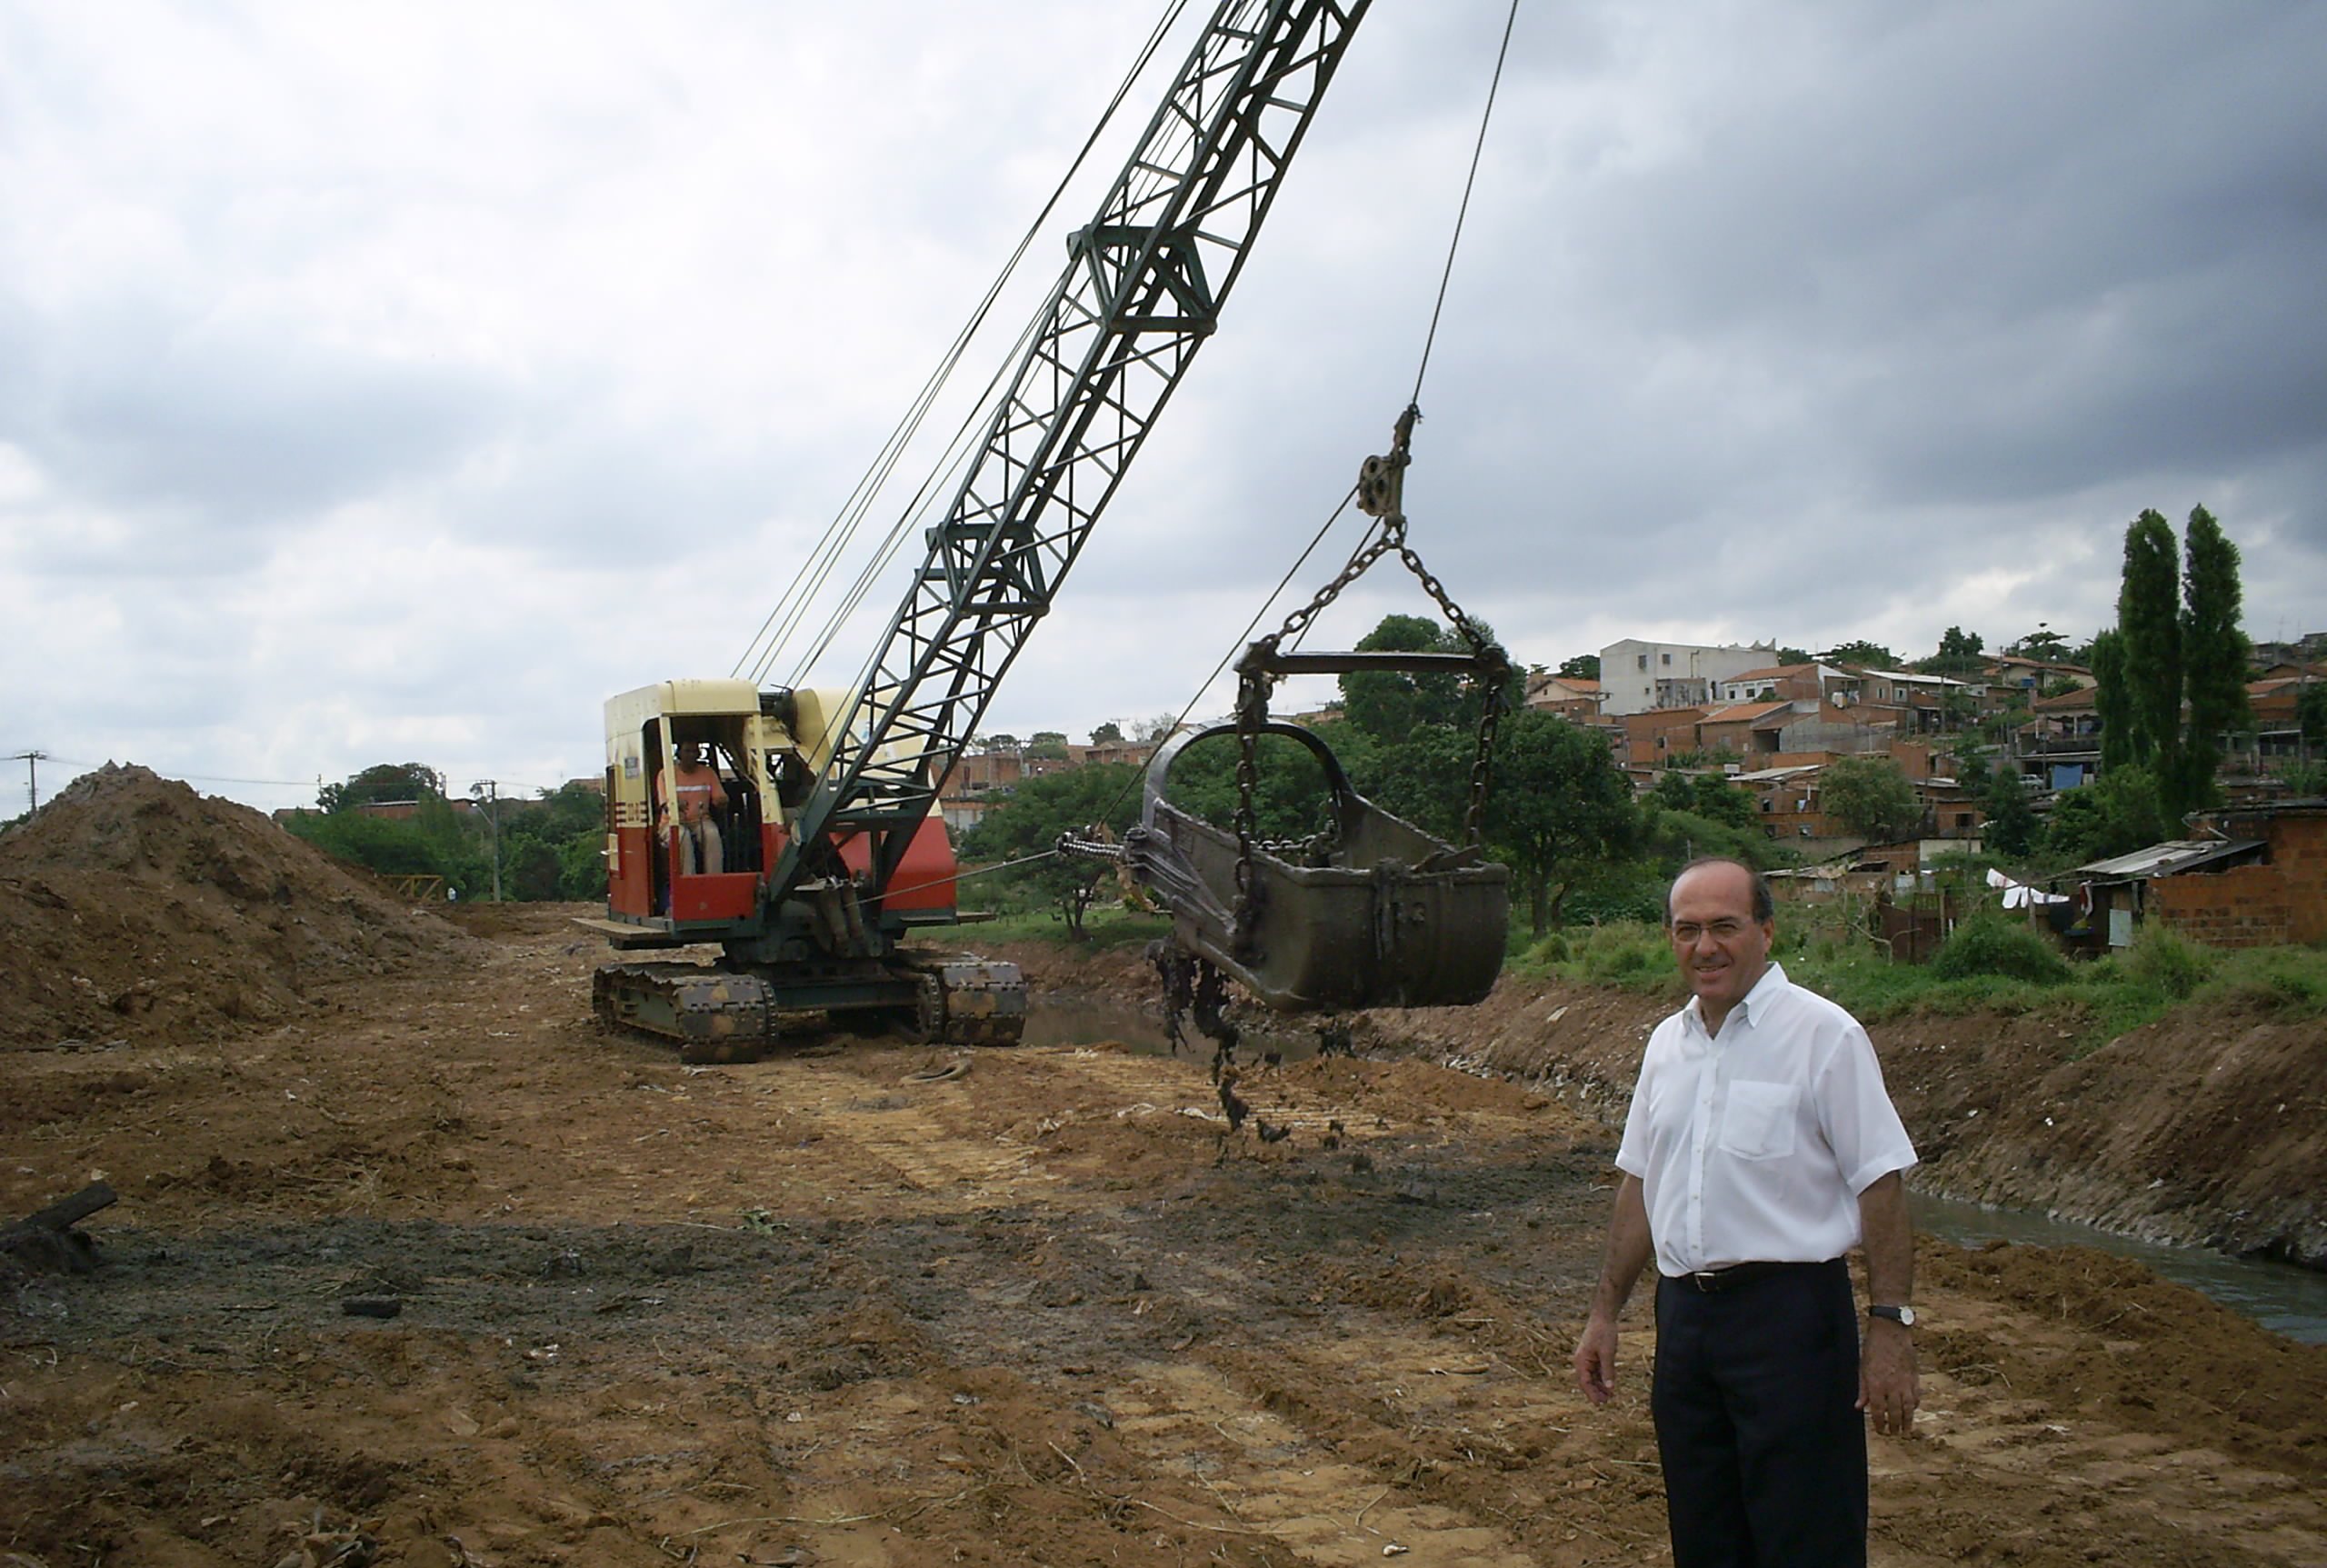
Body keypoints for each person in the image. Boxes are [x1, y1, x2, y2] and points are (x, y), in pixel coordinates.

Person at [1572, 857, 1918, 1568]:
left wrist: (1890, 1326)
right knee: (1705, 1536)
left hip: (1792, 1324)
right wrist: (1605, 1313)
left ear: (1765, 930)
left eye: (1725, 927)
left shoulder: (1826, 1036)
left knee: (1806, 1535)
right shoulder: (1667, 1044)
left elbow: (1880, 1186)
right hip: (1688, 1327)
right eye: (1688, 930)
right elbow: (1640, 1185)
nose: (1706, 947)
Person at [669, 743, 728, 876]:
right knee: (682, 838)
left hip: (701, 820)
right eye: (687, 751)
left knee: (712, 835)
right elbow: (665, 803)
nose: (691, 755)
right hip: (674, 822)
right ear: (679, 754)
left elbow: (719, 797)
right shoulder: (666, 774)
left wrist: (722, 801)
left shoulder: (708, 773)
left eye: (695, 752)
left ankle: (714, 879)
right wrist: (674, 804)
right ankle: (688, 880)